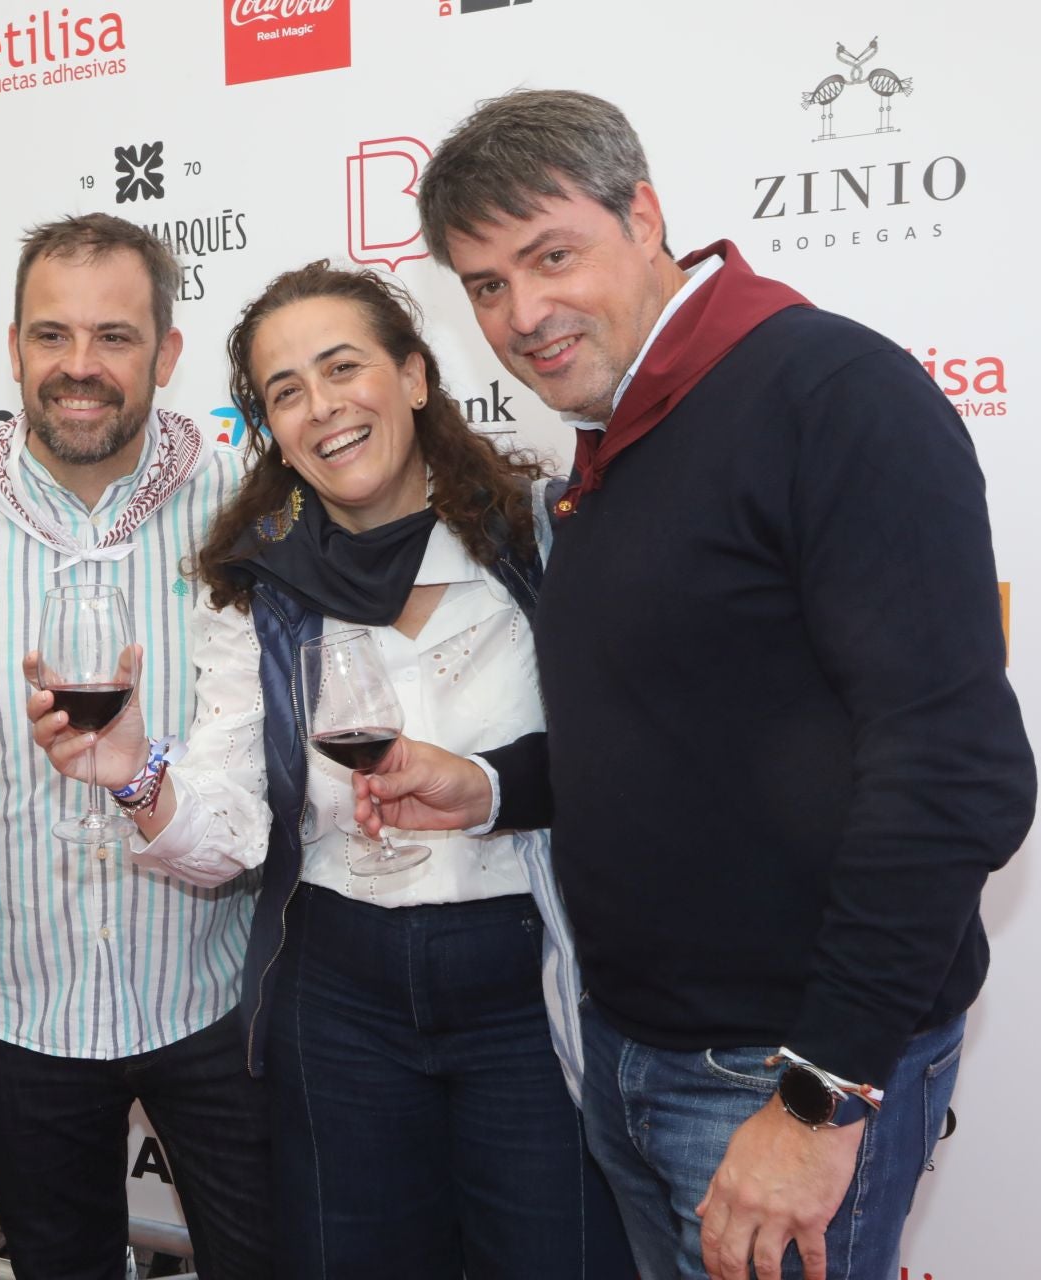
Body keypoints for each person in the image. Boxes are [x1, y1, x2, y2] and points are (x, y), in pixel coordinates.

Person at [352, 89, 1036, 1280]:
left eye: (550, 255)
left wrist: (819, 1097)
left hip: (781, 1073)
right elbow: (672, 727)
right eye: (486, 285)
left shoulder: (831, 395)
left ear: (646, 214)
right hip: (631, 1046)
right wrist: (487, 786)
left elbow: (957, 773)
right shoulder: (616, 434)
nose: (525, 313)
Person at [28, 261, 629, 1278]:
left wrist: (482, 785)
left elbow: (625, 763)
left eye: (343, 367)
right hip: (338, 997)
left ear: (415, 377)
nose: (323, 408)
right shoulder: (254, 582)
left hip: (528, 986)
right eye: (286, 392)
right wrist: (140, 777)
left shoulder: (540, 539)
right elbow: (230, 830)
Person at [0, 213, 273, 1279]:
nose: (80, 367)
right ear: (13, 348)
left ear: (168, 353)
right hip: (12, 1004)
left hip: (213, 993)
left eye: (115, 335)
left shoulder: (248, 515)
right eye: (51, 336)